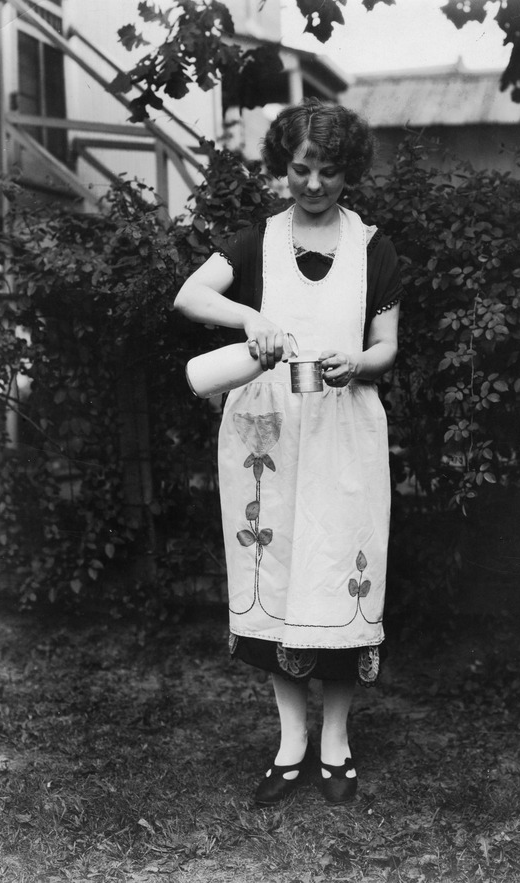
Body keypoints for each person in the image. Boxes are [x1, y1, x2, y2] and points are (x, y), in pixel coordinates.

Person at [174, 99, 401, 805]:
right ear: (282, 167)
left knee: (339, 576)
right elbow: (189, 296)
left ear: (348, 170)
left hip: (343, 431)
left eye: (329, 170)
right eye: (302, 168)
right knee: (275, 580)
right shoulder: (256, 242)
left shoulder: (373, 249)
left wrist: (357, 362)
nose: (314, 183)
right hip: (266, 438)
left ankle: (335, 739)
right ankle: (290, 740)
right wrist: (252, 318)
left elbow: (387, 348)